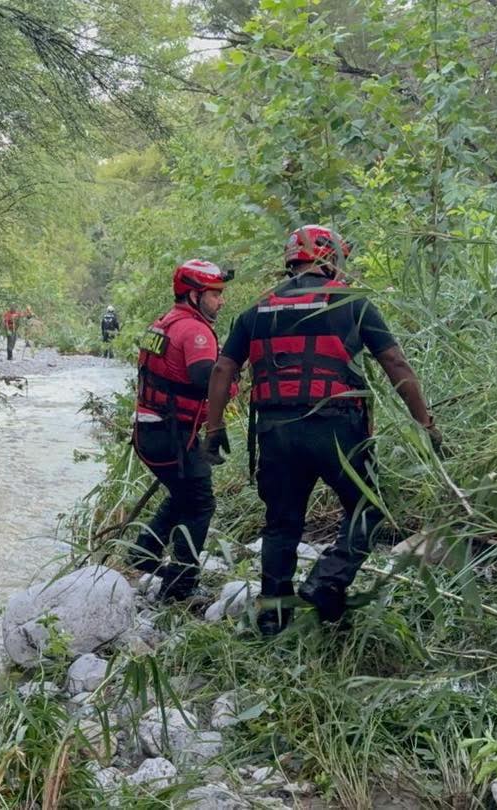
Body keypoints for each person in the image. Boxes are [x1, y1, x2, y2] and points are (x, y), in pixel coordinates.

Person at [202, 225, 443, 635]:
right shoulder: (351, 302)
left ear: (290, 260)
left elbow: (224, 367)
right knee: (368, 509)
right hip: (337, 427)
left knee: (281, 524)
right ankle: (327, 580)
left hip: (277, 432)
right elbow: (396, 365)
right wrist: (426, 422)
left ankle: (272, 619)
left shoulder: (256, 310)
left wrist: (214, 426)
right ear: (331, 258)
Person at [130, 260, 233, 602]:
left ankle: (143, 553)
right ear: (194, 295)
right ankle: (179, 587)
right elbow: (208, 380)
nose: (221, 301)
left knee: (184, 492)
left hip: (151, 432)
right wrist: (233, 383)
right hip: (170, 435)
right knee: (200, 503)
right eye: (215, 294)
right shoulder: (195, 332)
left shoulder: (164, 323)